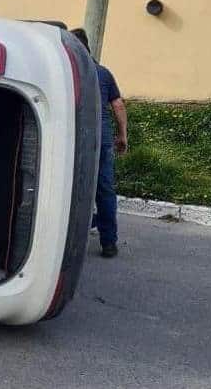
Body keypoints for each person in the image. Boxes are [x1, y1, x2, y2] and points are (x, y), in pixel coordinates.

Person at [71, 28, 128, 258]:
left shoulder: (69, 72)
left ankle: (73, 235)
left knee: (71, 188)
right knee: (104, 191)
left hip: (75, 141)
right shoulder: (103, 73)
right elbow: (118, 105)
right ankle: (108, 243)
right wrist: (123, 135)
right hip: (101, 142)